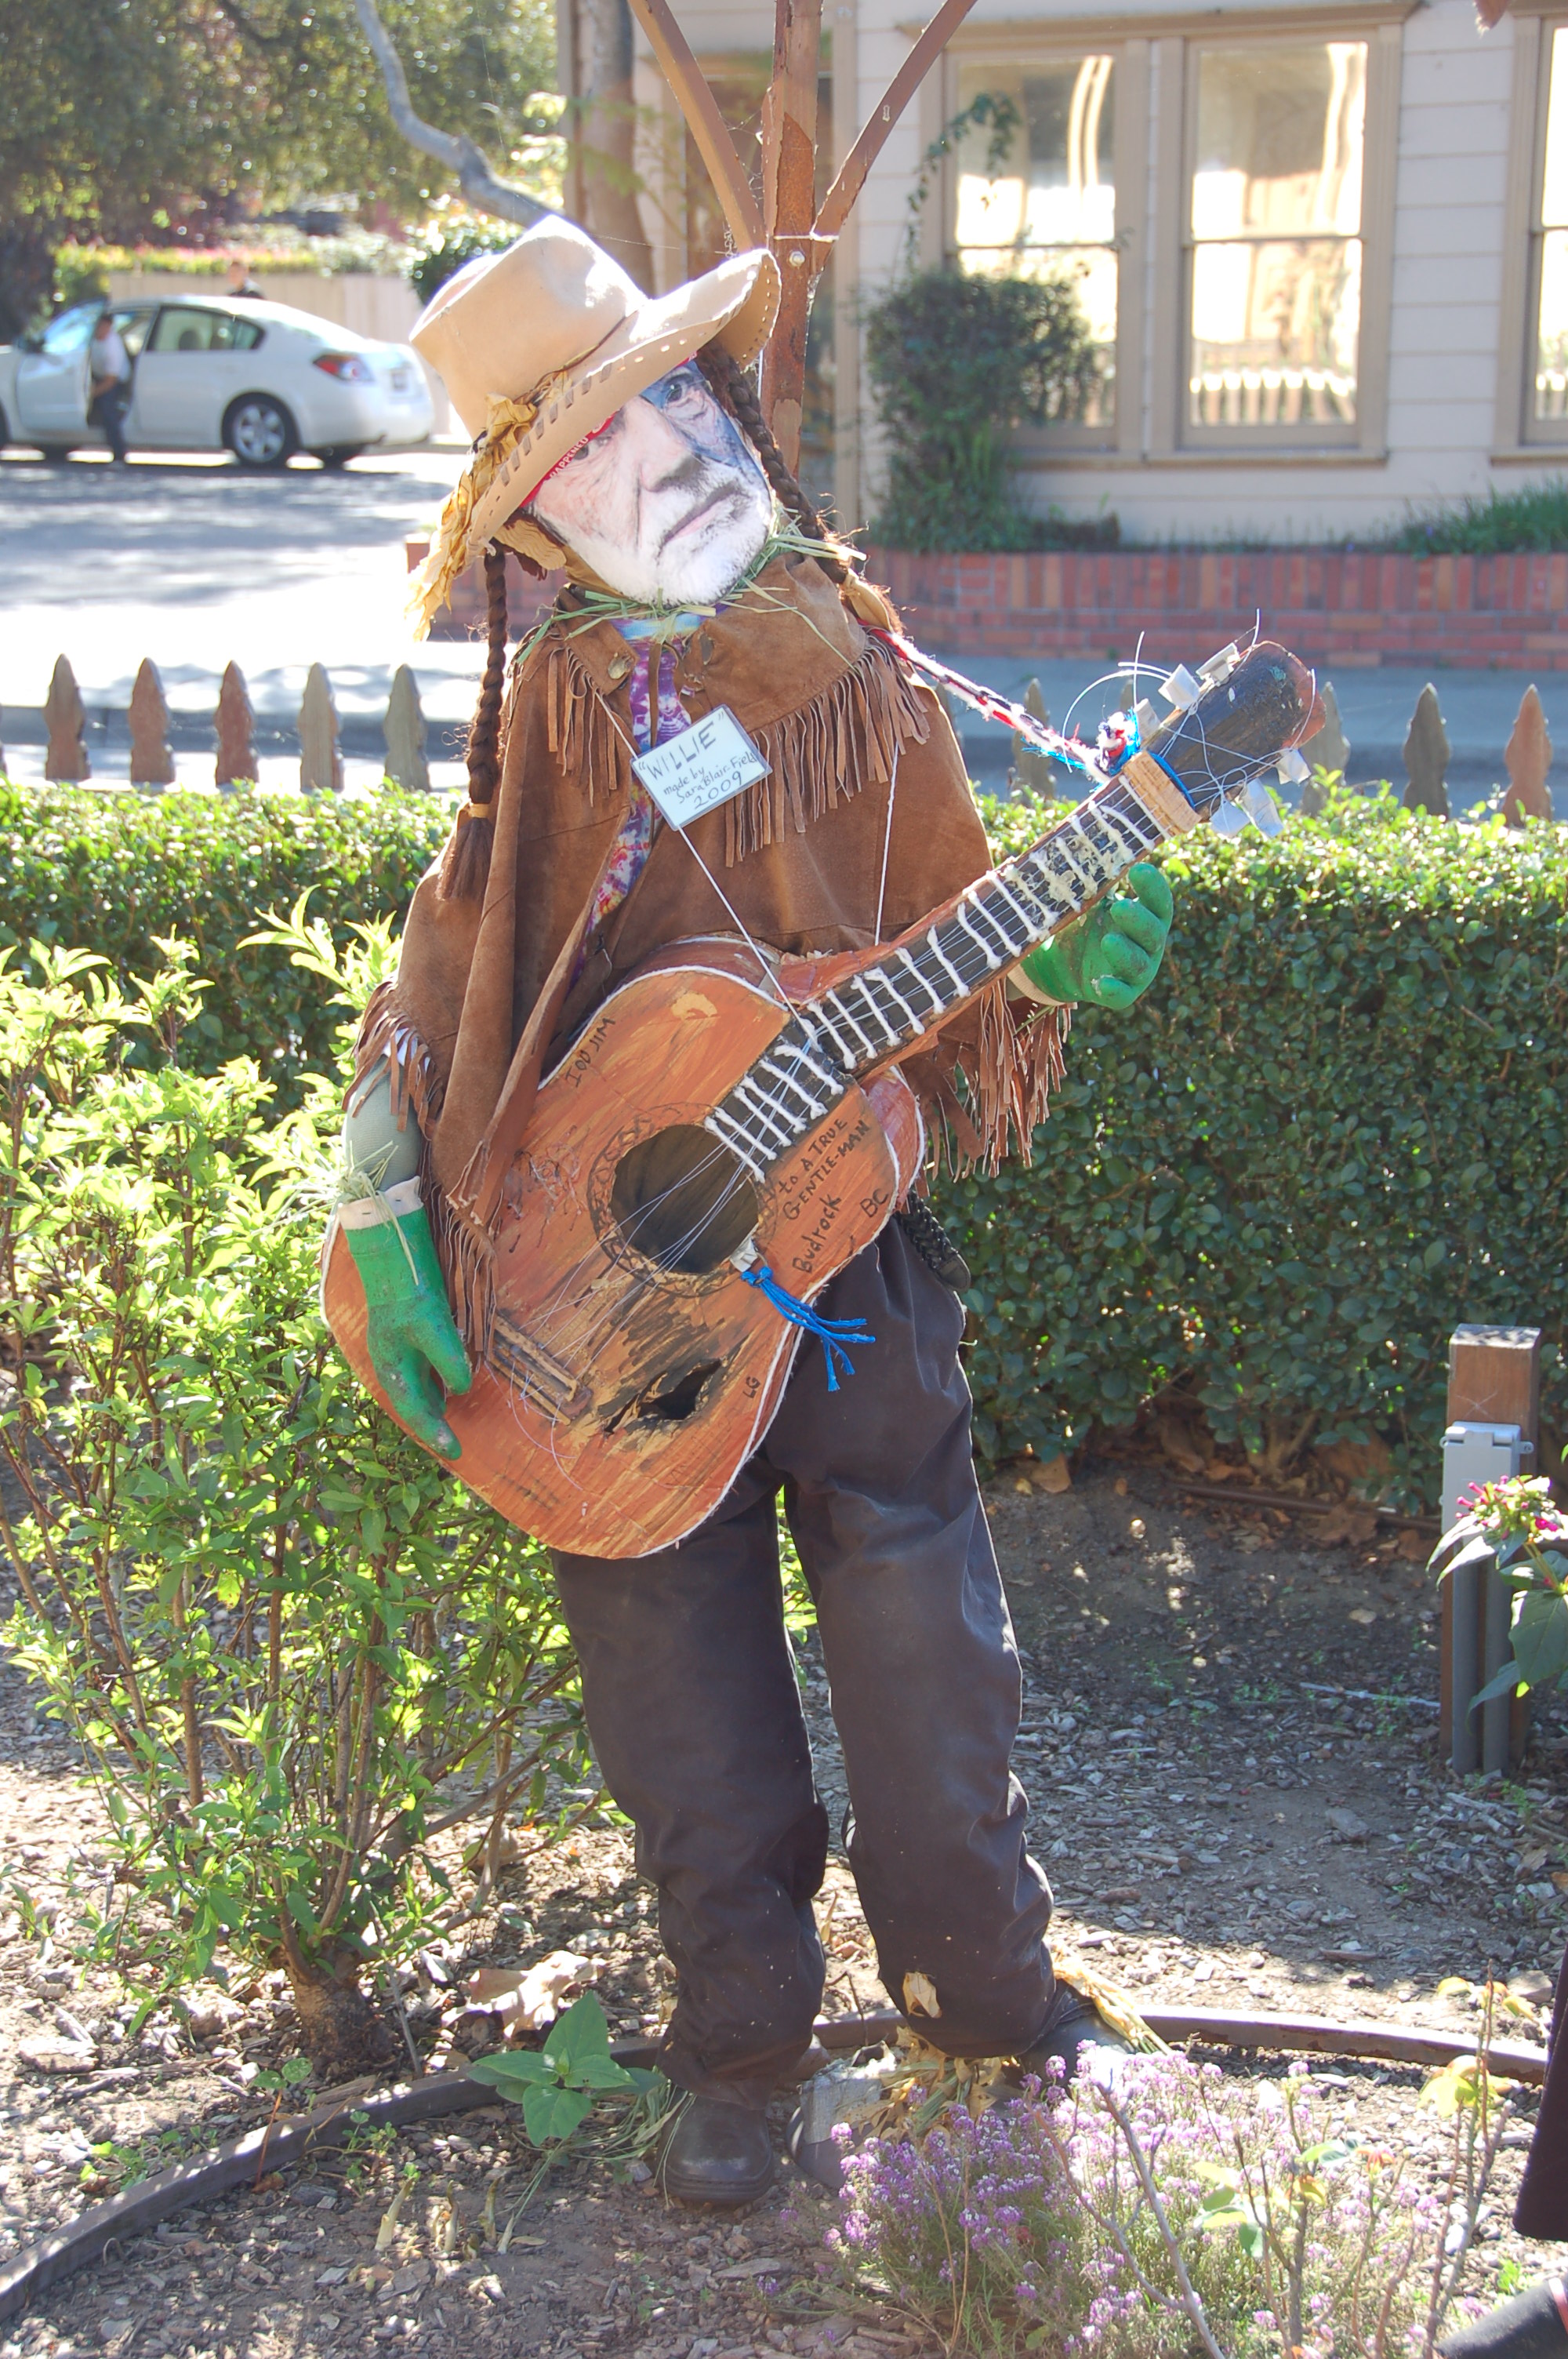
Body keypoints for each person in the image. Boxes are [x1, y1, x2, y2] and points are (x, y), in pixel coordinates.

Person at [333, 220, 1176, 2206]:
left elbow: (955, 916)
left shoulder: (848, 655)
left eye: (686, 395)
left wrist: (1051, 964)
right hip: (614, 1318)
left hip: (849, 1265)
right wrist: (384, 1181)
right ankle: (737, 2052)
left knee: (921, 1649)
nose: (686, 441)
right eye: (619, 428)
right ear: (533, 504)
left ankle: (985, 2009)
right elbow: (459, 961)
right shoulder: (544, 716)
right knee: (670, 1688)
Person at [87, 311, 131, 464]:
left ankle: (119, 453)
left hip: (116, 381)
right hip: (97, 376)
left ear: (109, 326)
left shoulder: (113, 346)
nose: (101, 329)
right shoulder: (91, 339)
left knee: (108, 410)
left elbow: (111, 380)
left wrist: (92, 393)